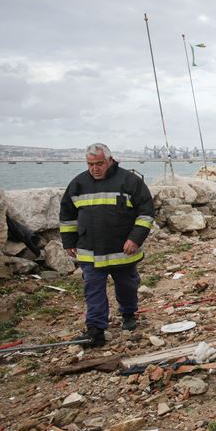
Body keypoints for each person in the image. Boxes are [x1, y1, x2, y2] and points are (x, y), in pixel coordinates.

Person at [59, 143, 154, 347]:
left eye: (99, 163)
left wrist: (135, 239)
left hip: (123, 252)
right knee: (93, 290)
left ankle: (128, 314)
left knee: (127, 286)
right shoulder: (78, 184)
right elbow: (67, 216)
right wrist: (68, 241)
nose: (95, 168)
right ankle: (96, 331)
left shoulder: (130, 182)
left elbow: (146, 213)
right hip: (90, 252)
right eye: (90, 164)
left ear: (110, 160)